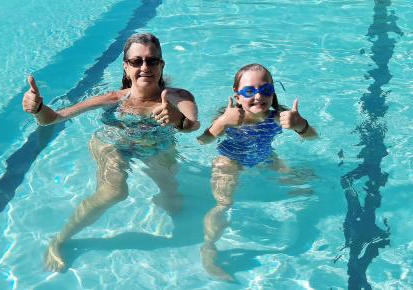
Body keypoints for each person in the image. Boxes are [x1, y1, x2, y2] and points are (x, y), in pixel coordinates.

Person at [22, 33, 199, 272]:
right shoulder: (113, 99)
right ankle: (60, 240)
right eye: (137, 61)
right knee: (114, 191)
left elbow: (192, 124)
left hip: (157, 146)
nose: (145, 67)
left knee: (174, 201)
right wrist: (38, 108)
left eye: (152, 61)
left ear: (161, 64)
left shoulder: (179, 97)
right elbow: (53, 119)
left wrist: (179, 120)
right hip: (113, 143)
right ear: (126, 68)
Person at [197, 63, 317, 281]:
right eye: (249, 91)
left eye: (265, 90)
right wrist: (222, 122)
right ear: (237, 95)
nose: (258, 96)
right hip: (230, 160)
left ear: (272, 92)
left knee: (305, 187)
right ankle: (208, 248)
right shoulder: (231, 118)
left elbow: (313, 137)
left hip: (264, 156)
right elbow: (202, 141)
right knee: (224, 204)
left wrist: (301, 125)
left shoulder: (278, 117)